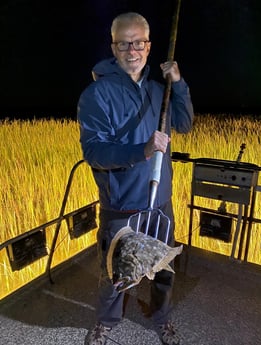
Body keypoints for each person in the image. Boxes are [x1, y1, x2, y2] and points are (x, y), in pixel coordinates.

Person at [77, 12, 194, 345]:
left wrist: (179, 83)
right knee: (116, 272)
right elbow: (95, 152)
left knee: (162, 269)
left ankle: (161, 318)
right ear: (113, 48)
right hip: (122, 205)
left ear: (148, 45)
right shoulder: (96, 96)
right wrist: (142, 150)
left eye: (139, 42)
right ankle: (106, 322)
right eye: (124, 43)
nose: (132, 50)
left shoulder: (161, 90)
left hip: (160, 203)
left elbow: (184, 124)